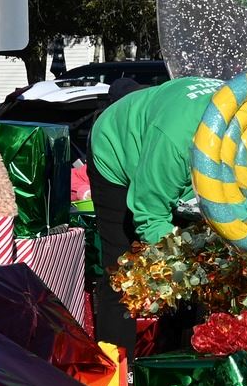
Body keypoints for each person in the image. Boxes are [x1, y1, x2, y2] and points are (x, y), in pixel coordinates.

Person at [84, 76, 225, 353]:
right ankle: (119, 377)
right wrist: (182, 265)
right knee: (123, 271)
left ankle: (176, 366)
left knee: (197, 275)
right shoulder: (174, 142)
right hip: (117, 149)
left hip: (173, 158)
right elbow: (151, 216)